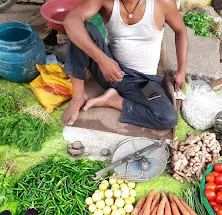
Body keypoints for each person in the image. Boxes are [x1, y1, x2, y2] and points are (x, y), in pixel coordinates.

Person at [61, 0, 188, 129]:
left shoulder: (162, 3)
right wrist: (102, 59)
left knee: (167, 118)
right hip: (108, 72)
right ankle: (77, 98)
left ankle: (114, 101)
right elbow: (71, 21)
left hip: (142, 81)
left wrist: (181, 72)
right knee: (81, 29)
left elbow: (181, 31)